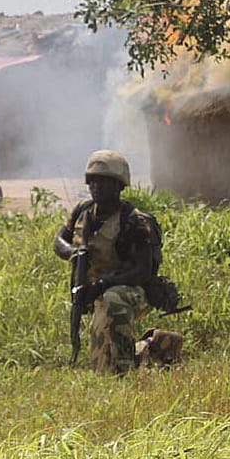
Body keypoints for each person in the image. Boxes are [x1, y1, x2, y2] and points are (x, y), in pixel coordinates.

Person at [54, 149, 155, 374]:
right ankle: (138, 353)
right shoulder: (83, 212)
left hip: (130, 291)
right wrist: (73, 252)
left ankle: (130, 362)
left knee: (111, 300)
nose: (96, 187)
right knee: (101, 360)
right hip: (91, 289)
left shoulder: (132, 221)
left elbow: (142, 270)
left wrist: (103, 285)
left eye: (103, 182)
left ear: (119, 186)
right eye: (92, 182)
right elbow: (59, 240)